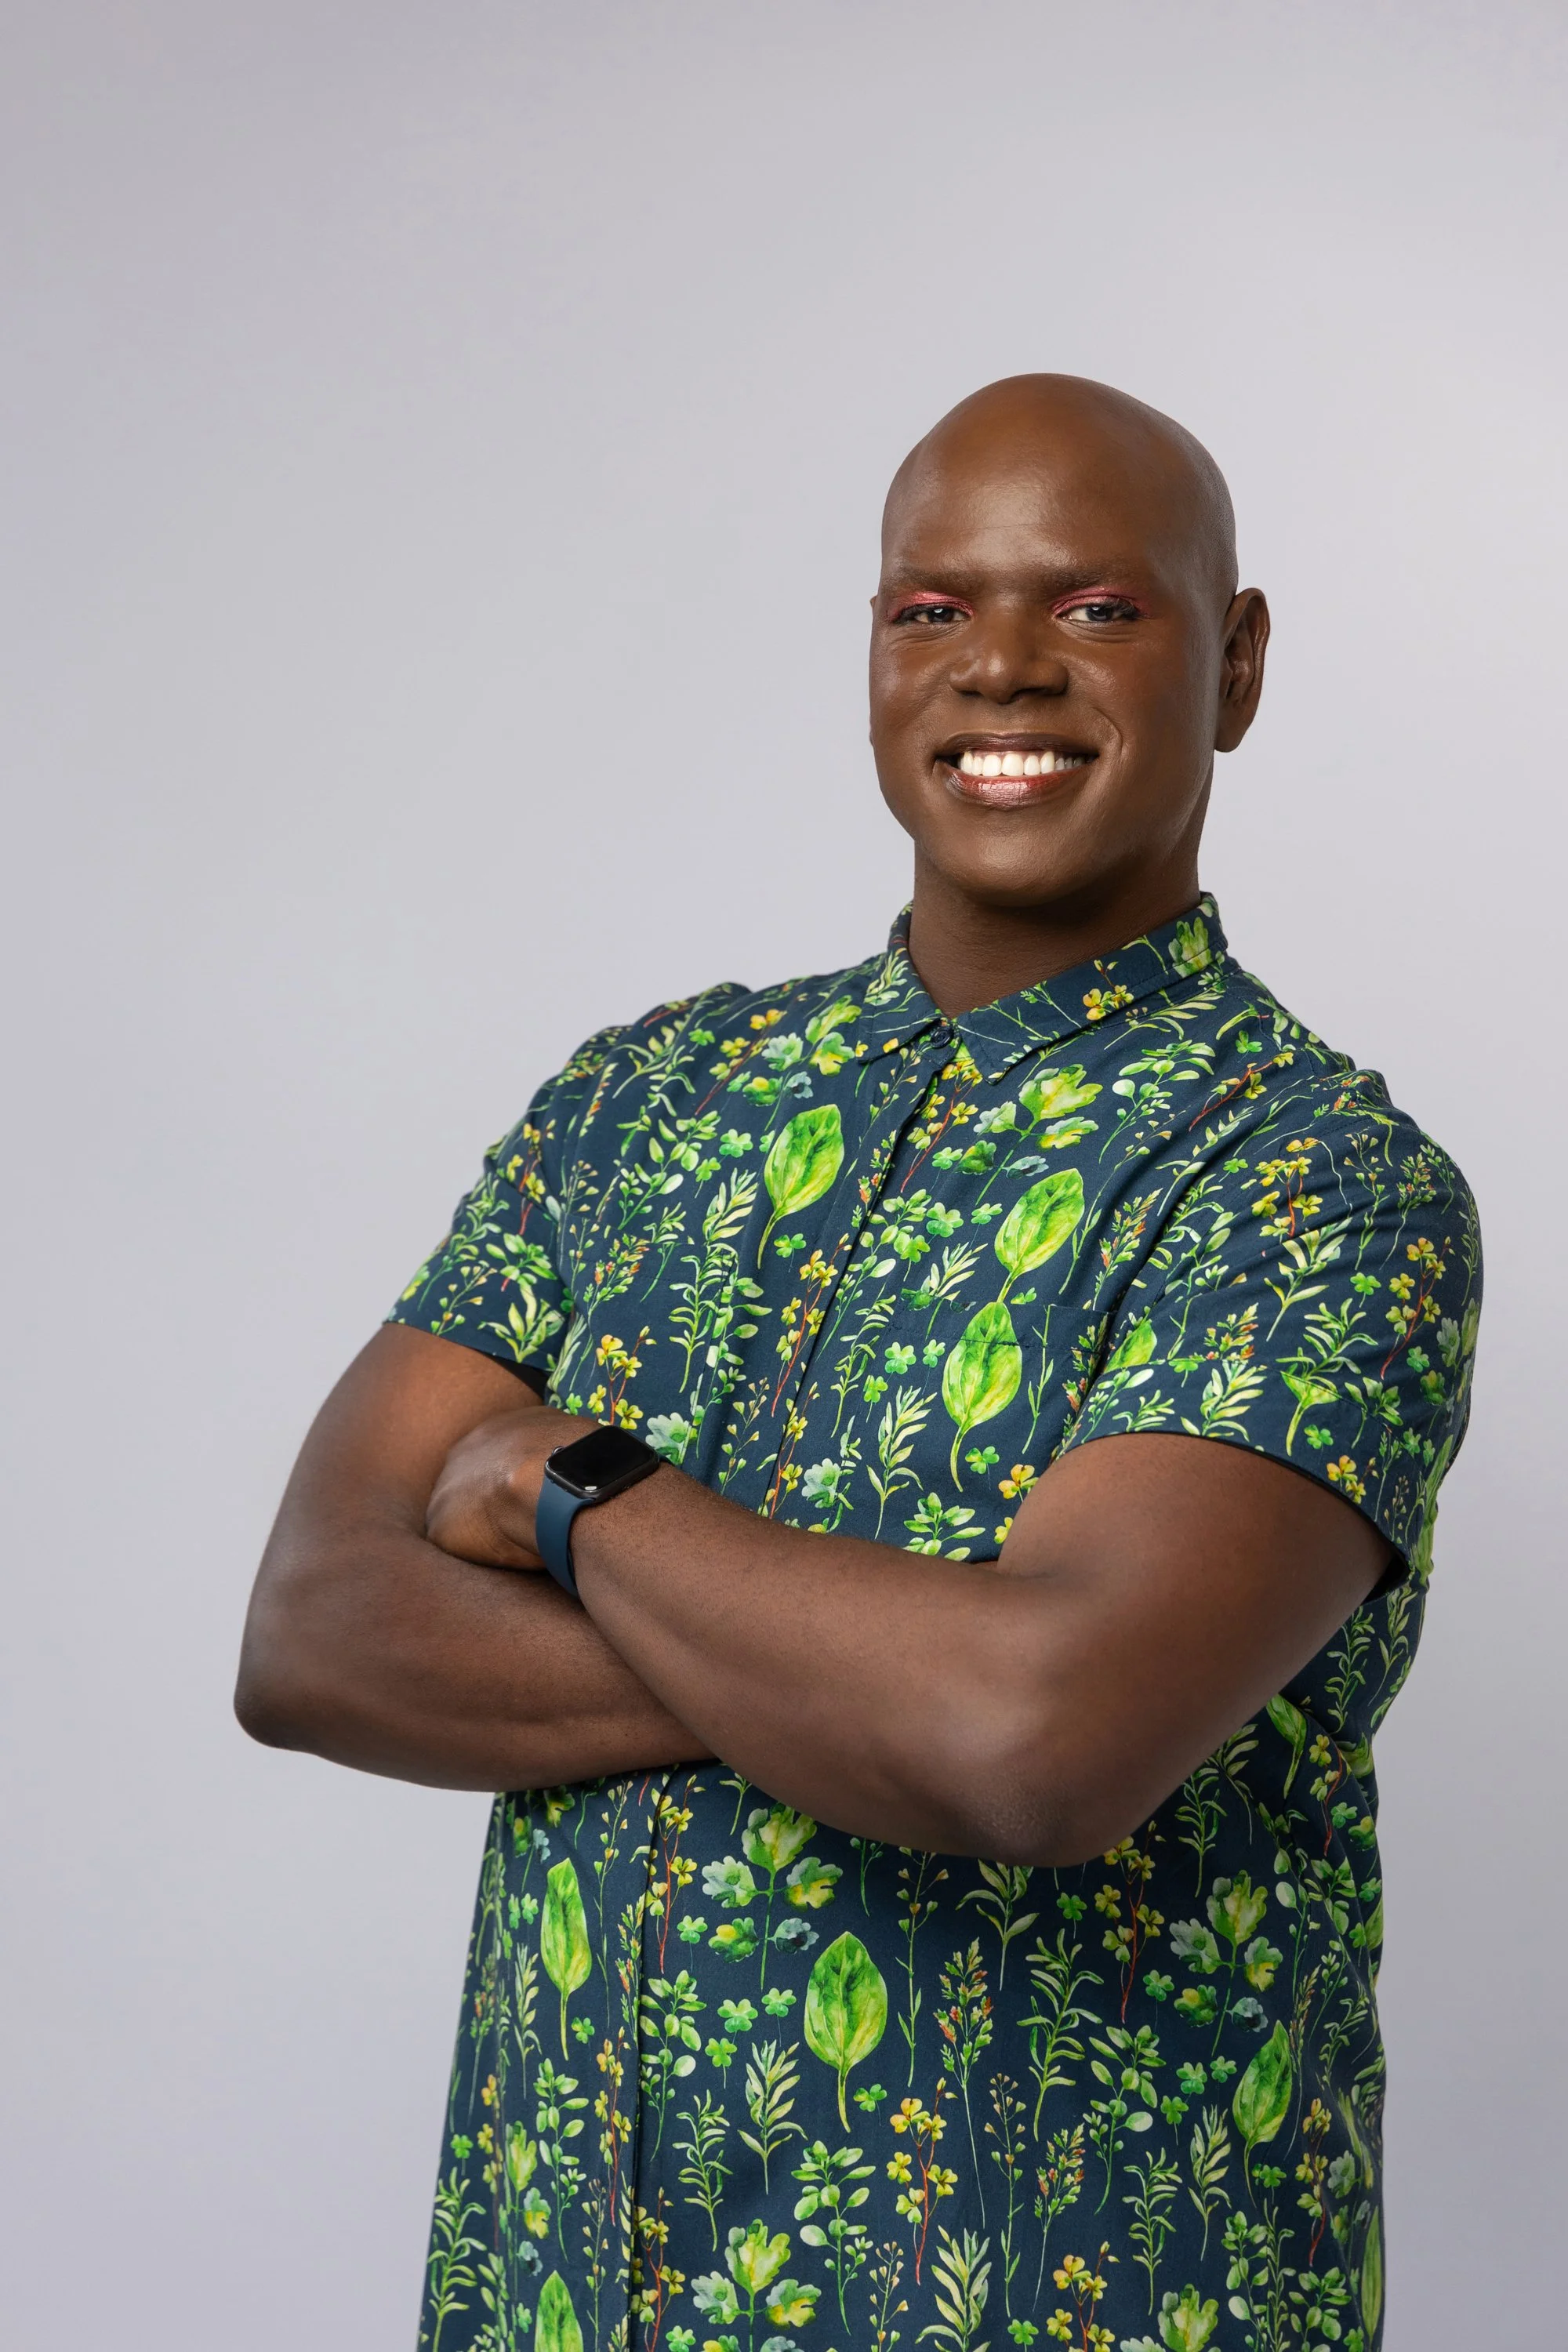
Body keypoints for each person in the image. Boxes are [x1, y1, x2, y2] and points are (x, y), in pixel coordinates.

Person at [238, 375, 1481, 2352]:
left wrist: (569, 1490)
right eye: (931, 610)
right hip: (560, 2294)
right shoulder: (643, 1103)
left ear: (1235, 663)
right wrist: (871, 1671)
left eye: (1097, 608)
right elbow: (311, 1637)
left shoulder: (1311, 1184)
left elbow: (1029, 1744)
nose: (1003, 668)